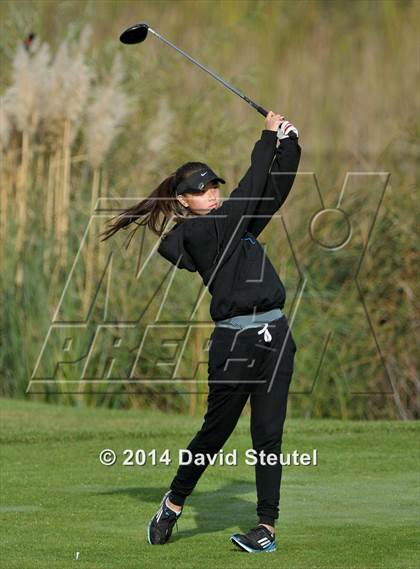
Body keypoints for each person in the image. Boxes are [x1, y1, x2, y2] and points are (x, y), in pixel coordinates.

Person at [100, 111, 301, 553]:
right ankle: (173, 503)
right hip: (235, 344)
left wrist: (290, 145)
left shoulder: (234, 222)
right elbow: (250, 192)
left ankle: (266, 529)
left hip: (276, 336)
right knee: (215, 433)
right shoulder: (199, 232)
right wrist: (266, 139)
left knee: (269, 437)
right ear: (182, 200)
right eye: (201, 190)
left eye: (214, 187)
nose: (211, 194)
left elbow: (272, 192)